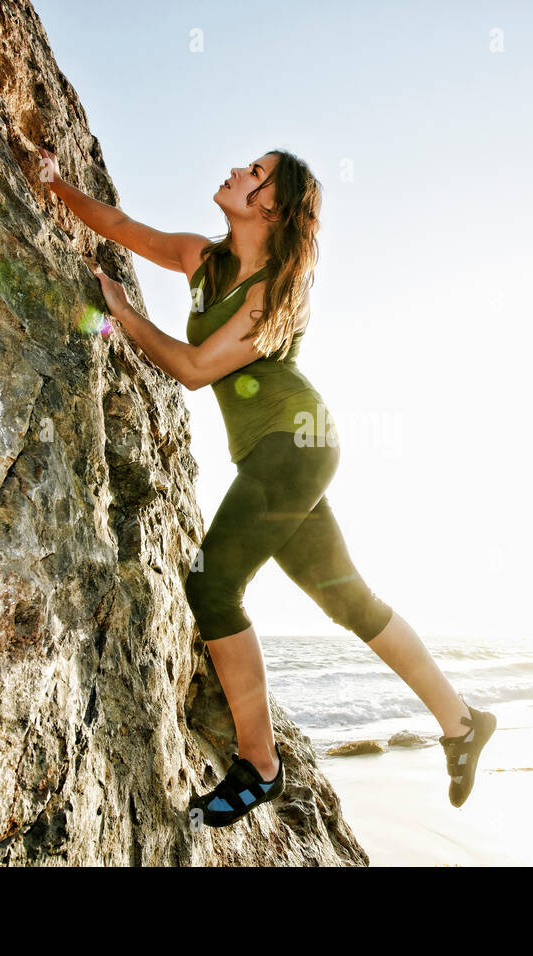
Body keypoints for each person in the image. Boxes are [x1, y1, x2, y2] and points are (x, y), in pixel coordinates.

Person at [39, 146, 496, 827]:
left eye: (253, 172)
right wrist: (51, 181)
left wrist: (124, 314)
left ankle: (260, 765)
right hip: (273, 453)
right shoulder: (205, 258)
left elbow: (194, 369)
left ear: (271, 205)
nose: (236, 170)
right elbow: (123, 225)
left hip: (295, 447)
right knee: (352, 603)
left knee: (212, 584)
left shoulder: (274, 289)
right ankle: (461, 723)